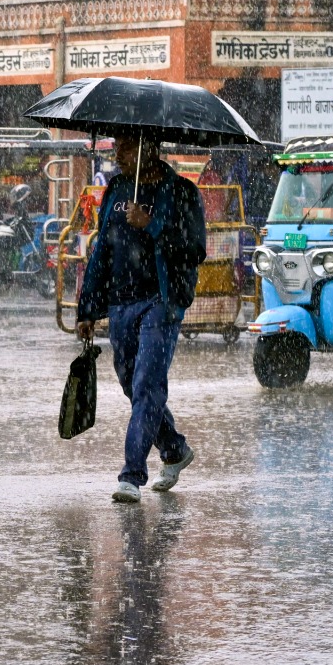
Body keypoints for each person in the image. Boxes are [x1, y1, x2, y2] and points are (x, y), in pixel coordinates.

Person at [75, 131, 206, 504]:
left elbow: (195, 248)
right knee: (132, 383)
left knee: (148, 383)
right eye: (118, 146)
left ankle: (132, 474)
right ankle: (175, 449)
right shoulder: (116, 189)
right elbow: (102, 249)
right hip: (120, 303)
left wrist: (151, 224)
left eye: (127, 146)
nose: (118, 153)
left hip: (160, 302)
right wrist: (87, 308)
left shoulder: (181, 192)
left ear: (150, 148)